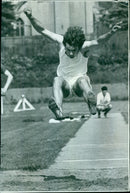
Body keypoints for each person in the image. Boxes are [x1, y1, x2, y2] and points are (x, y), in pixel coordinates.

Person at [23, 8, 121, 120]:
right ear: (65, 44)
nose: (70, 53)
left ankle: (90, 101)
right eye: (67, 49)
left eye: (73, 50)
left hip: (79, 85)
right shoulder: (61, 41)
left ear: (79, 47)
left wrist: (111, 33)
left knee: (82, 80)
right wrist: (30, 17)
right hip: (65, 86)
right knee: (57, 79)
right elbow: (42, 30)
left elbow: (98, 41)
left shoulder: (85, 48)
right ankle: (58, 110)